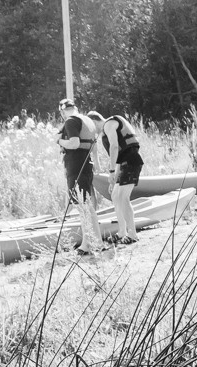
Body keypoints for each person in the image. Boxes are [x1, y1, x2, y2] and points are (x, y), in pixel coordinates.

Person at [57, 99, 104, 255]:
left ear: (62, 111)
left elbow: (74, 143)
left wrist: (59, 140)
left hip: (76, 165)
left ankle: (86, 244)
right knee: (88, 206)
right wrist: (97, 164)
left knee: (82, 206)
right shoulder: (87, 120)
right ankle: (98, 242)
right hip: (86, 164)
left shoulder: (71, 121)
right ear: (75, 107)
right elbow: (94, 145)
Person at [93, 110, 144, 244]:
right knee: (115, 195)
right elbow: (119, 158)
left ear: (94, 122)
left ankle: (132, 234)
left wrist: (110, 171)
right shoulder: (108, 127)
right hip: (124, 163)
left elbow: (115, 147)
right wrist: (114, 178)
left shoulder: (108, 124)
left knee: (123, 197)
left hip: (131, 162)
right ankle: (122, 232)